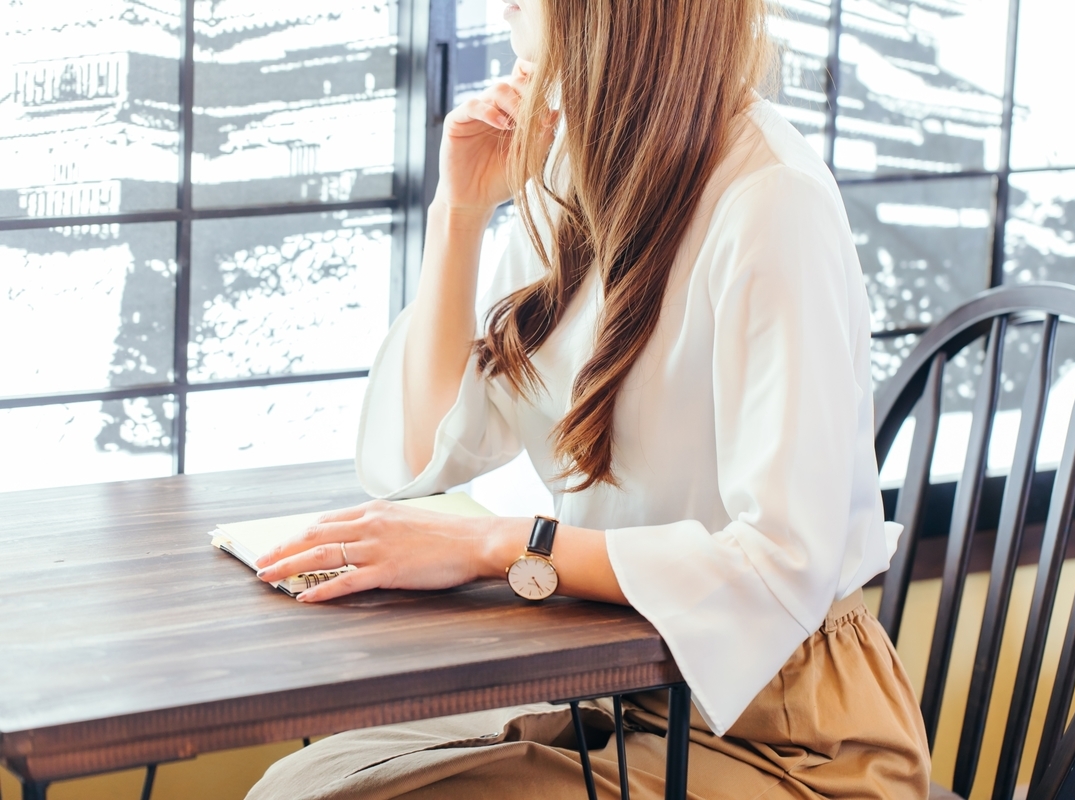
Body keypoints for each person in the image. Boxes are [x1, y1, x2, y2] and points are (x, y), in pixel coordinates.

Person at [247, 0, 931, 796]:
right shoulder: (574, 166)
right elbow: (427, 448)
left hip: (789, 735)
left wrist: (498, 546)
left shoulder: (772, 199)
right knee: (302, 781)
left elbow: (783, 564)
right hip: (621, 688)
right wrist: (461, 211)